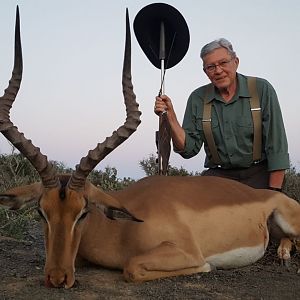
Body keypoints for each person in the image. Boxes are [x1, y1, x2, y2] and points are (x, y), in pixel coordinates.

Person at [154, 38, 289, 190]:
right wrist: (170, 116)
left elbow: (277, 148)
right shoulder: (197, 98)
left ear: (236, 62)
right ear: (205, 71)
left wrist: (274, 192)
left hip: (259, 174)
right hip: (219, 177)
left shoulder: (261, 89)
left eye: (223, 63)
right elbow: (188, 150)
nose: (218, 71)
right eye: (211, 67)